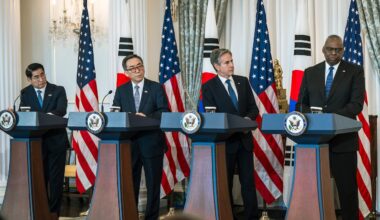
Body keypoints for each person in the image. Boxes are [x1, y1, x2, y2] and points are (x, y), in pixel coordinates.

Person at [296, 35, 365, 220]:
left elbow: (356, 105)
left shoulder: (355, 72)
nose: (334, 53)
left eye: (338, 49)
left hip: (343, 141)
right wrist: (315, 117)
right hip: (315, 142)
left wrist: (328, 118)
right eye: (330, 49)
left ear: (343, 50)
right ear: (323, 49)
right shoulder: (311, 72)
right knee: (313, 189)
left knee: (347, 190)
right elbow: (301, 105)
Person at [201, 48, 259, 220]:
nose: (232, 65)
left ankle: (251, 216)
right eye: (227, 62)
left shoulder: (242, 81)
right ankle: (227, 215)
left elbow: (253, 108)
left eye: (231, 61)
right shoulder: (208, 87)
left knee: (248, 183)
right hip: (225, 143)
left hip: (244, 140)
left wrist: (247, 120)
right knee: (224, 183)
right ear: (216, 66)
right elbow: (212, 115)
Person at [112, 54, 169, 220]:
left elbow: (164, 111)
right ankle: (130, 214)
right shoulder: (121, 90)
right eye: (132, 68)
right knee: (130, 183)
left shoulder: (156, 87)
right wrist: (131, 116)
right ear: (126, 72)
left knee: (153, 185)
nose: (137, 70)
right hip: (129, 144)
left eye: (139, 66)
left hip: (151, 142)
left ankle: (151, 217)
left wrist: (146, 117)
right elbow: (116, 113)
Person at [19, 63, 69, 216]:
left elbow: (61, 110)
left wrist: (41, 118)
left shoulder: (58, 90)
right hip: (36, 143)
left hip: (56, 141)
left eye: (42, 75)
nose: (41, 79)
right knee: (39, 178)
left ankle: (53, 213)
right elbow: (24, 113)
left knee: (55, 180)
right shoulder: (25, 93)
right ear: (29, 79)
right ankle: (40, 211)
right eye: (36, 77)